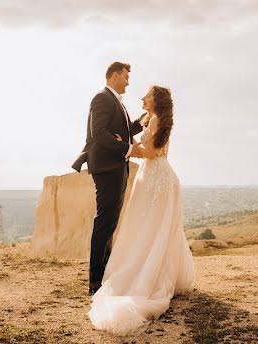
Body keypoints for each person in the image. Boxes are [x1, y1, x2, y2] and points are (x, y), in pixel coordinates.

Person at [87, 85, 195, 335]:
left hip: (156, 177)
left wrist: (126, 147)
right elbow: (147, 146)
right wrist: (129, 143)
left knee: (150, 227)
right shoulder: (154, 119)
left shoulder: (156, 119)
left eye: (147, 95)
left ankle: (148, 272)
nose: (142, 98)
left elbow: (151, 153)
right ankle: (149, 266)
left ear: (156, 100)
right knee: (150, 227)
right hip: (153, 177)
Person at [72, 61, 145, 295]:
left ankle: (105, 275)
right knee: (104, 222)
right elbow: (99, 134)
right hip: (107, 167)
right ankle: (96, 283)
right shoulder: (102, 98)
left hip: (116, 167)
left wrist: (141, 123)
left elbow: (122, 131)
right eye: (125, 77)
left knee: (110, 222)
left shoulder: (116, 102)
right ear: (114, 75)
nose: (128, 82)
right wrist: (126, 148)